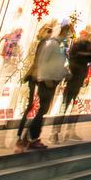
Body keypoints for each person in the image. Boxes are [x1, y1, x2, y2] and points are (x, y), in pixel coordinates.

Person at [19, 21, 72, 150]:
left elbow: (57, 63)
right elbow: (42, 62)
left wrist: (65, 73)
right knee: (41, 109)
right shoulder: (52, 44)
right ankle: (29, 136)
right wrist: (44, 78)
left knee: (43, 109)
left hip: (51, 80)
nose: (68, 35)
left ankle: (30, 136)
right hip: (46, 81)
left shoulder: (58, 46)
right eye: (67, 32)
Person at [54, 26, 91, 143]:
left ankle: (69, 131)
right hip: (73, 78)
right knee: (65, 106)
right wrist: (86, 54)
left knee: (74, 107)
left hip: (79, 79)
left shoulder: (84, 47)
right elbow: (88, 57)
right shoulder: (77, 47)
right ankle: (56, 131)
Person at [13, 21, 56, 151]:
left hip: (40, 79)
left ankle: (29, 138)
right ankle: (23, 139)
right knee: (34, 108)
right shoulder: (46, 44)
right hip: (38, 79)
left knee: (37, 108)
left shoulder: (45, 44)